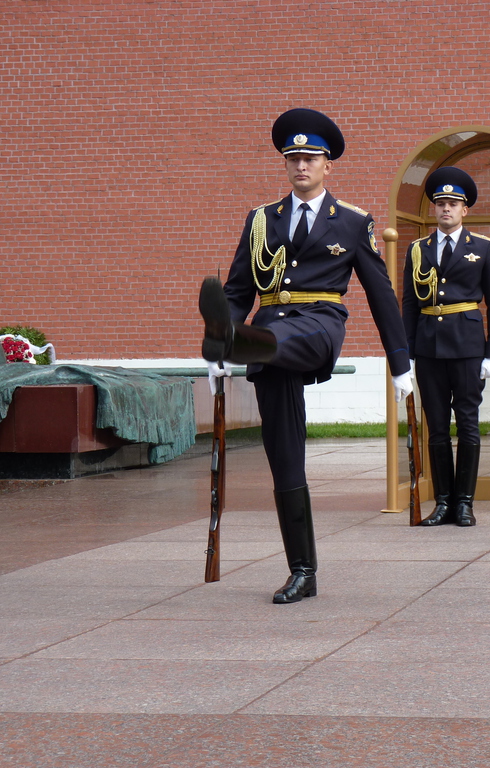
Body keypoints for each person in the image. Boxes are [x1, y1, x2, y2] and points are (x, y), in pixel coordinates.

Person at [198, 107, 413, 604]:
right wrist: (221, 342)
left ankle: (239, 342)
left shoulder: (354, 222)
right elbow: (236, 290)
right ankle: (303, 571)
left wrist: (401, 364)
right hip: (269, 335)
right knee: (283, 456)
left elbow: (382, 295)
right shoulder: (259, 220)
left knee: (276, 342)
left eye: (310, 158)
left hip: (318, 325)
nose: (301, 166)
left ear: (327, 165)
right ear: (286, 163)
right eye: (293, 158)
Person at [401, 167, 490, 528]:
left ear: (465, 210)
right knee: (437, 429)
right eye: (440, 203)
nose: (446, 209)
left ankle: (465, 503)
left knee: (468, 425)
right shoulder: (417, 250)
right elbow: (410, 305)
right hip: (430, 350)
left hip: (468, 348)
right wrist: (405, 355)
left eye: (452, 204)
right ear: (434, 209)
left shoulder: (482, 247)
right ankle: (442, 502)